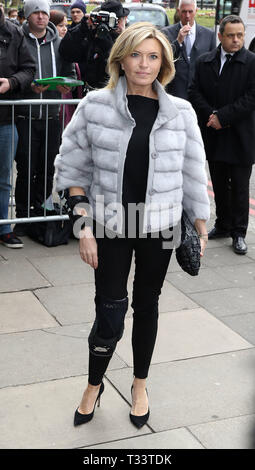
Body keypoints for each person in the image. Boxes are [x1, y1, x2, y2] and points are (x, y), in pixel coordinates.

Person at [54, 22, 210, 428]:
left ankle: (140, 383)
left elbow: (194, 172)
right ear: (121, 58)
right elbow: (71, 170)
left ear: (164, 64)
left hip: (160, 226)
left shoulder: (181, 112)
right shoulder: (94, 106)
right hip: (109, 225)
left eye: (153, 56)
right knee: (109, 309)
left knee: (147, 305)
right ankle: (94, 384)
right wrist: (83, 228)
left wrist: (201, 222)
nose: (144, 64)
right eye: (137, 55)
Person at [189, 15, 255, 255]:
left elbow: (251, 98)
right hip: (213, 134)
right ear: (220, 36)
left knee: (239, 187)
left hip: (240, 136)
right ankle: (224, 224)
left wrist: (223, 117)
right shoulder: (204, 61)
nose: (236, 40)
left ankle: (239, 233)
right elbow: (193, 91)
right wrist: (211, 116)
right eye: (231, 35)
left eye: (240, 35)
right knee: (218, 182)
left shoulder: (251, 62)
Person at [13, 0, 76, 237]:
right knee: (26, 168)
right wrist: (29, 87)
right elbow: (13, 73)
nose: (40, 17)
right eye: (36, 12)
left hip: (52, 116)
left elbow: (69, 73)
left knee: (48, 168)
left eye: (44, 13)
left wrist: (64, 86)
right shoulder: (18, 40)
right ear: (28, 16)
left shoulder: (59, 43)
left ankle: (41, 211)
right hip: (25, 115)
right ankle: (22, 216)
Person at [0, 3, 36, 248]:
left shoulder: (14, 33)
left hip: (5, 119)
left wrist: (11, 83)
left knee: (4, 178)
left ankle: (3, 227)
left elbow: (29, 69)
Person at [59, 0, 130, 90]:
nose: (116, 25)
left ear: (125, 18)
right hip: (93, 93)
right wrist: (81, 30)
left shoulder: (130, 41)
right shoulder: (93, 37)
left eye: (117, 21)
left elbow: (124, 70)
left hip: (120, 93)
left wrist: (108, 48)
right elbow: (67, 54)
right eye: (110, 21)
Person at [162, 0, 215, 100]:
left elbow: (213, 64)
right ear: (178, 11)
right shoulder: (167, 32)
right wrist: (178, 41)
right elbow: (164, 59)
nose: (187, 15)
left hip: (200, 92)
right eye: (184, 11)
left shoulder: (209, 34)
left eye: (190, 11)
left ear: (196, 11)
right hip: (176, 91)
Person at [50, 9, 83, 127]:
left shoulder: (68, 45)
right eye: (60, 25)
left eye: (66, 25)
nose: (65, 29)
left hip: (67, 95)